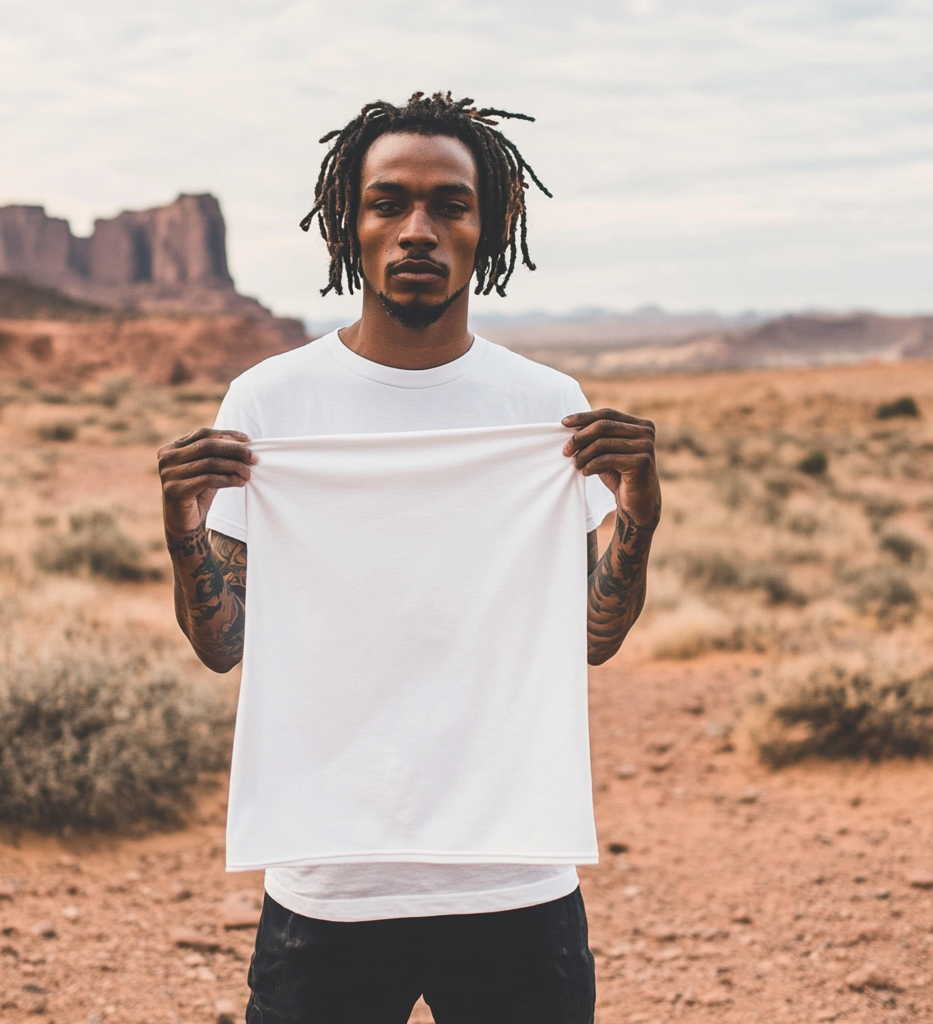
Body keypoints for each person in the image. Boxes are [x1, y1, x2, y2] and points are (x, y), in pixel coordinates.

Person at [157, 92, 660, 1024]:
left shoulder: (545, 406)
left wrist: (638, 515)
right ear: (350, 226)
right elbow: (223, 644)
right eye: (389, 202)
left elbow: (593, 635)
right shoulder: (270, 403)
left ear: (489, 226)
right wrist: (186, 530)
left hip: (516, 874)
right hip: (332, 880)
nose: (418, 229)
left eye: (449, 205)